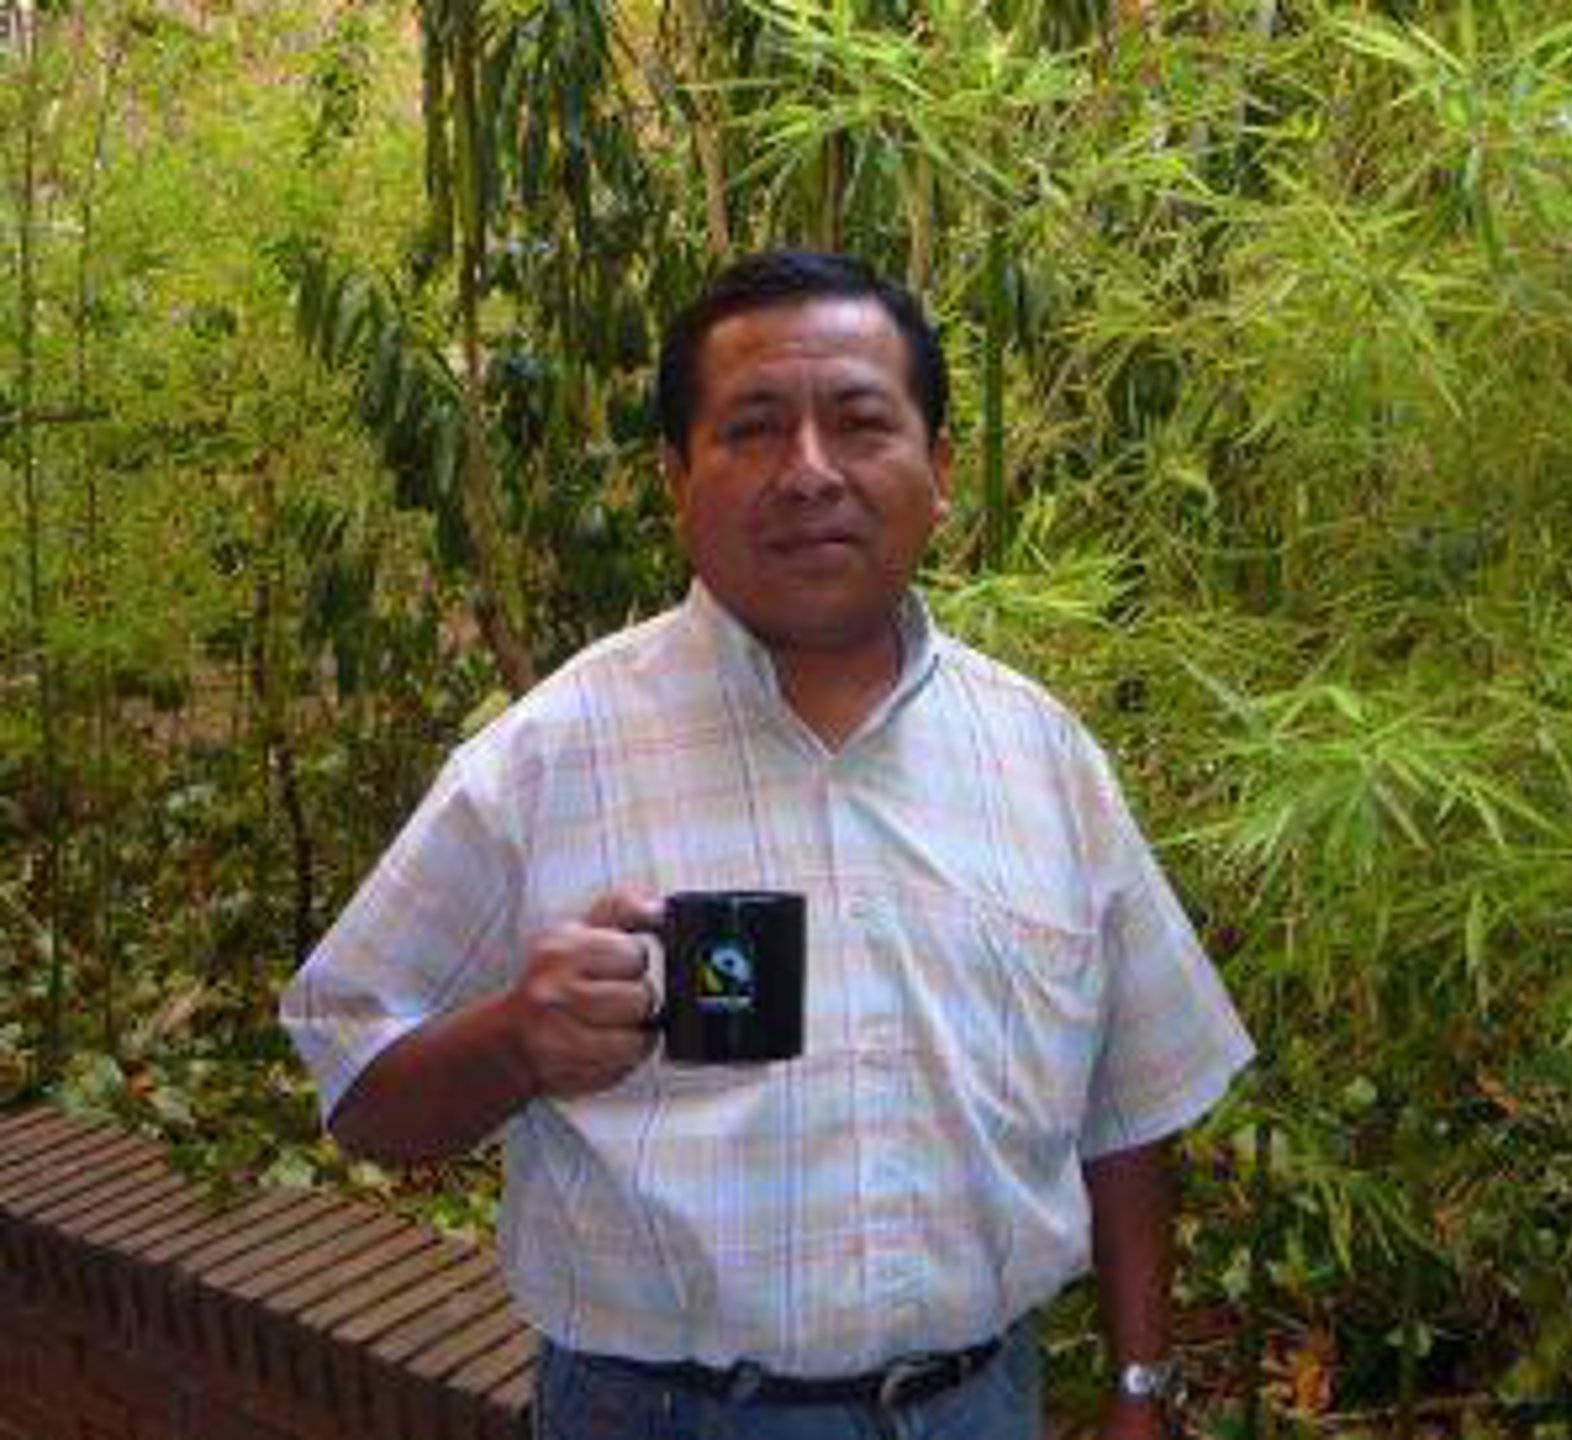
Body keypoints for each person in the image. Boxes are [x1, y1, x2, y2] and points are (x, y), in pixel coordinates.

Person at [281, 251, 1254, 1440]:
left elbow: (1131, 1098)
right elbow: (360, 1092)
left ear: (941, 472)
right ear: (675, 480)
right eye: (751, 430)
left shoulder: (1042, 759)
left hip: (982, 1406)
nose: (809, 472)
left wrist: (1141, 1386)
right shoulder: (544, 760)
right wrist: (517, 1040)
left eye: (859, 422)